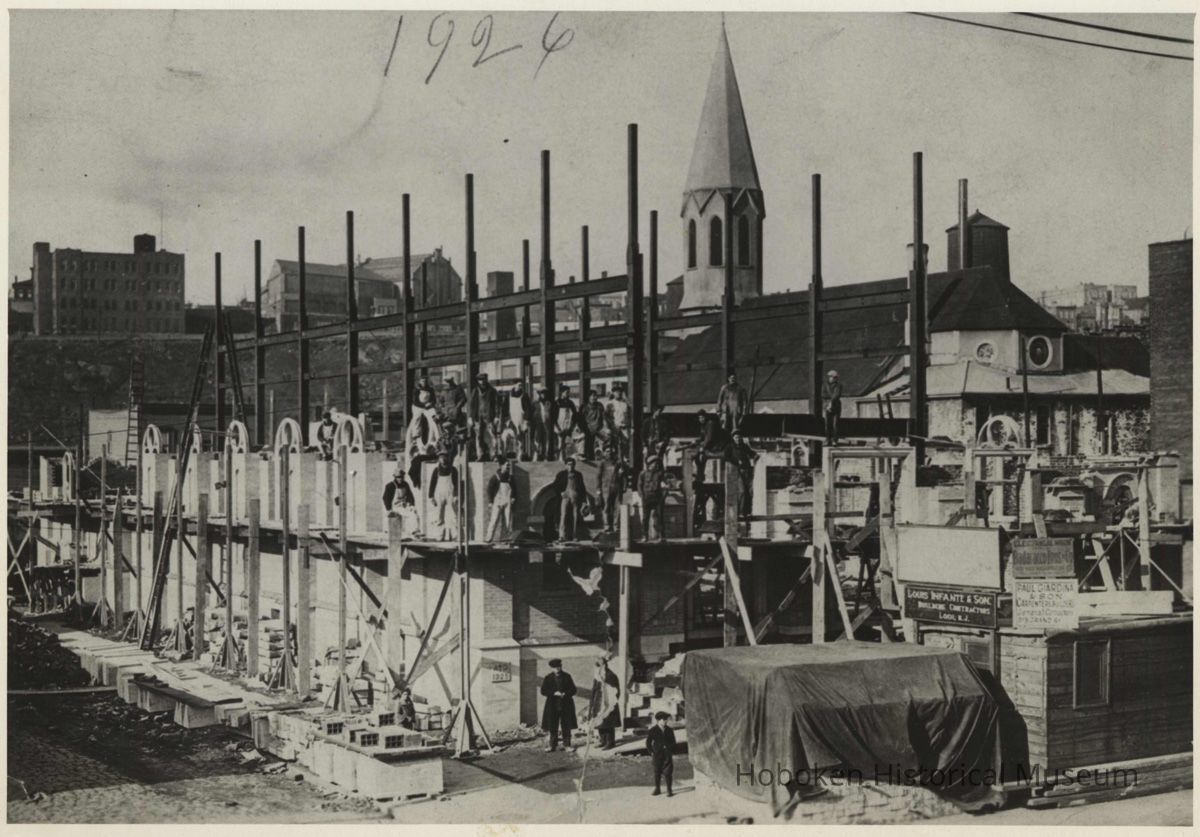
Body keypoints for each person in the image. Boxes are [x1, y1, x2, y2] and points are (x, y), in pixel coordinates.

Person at [540, 658, 578, 752]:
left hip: (566, 704)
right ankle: (552, 745)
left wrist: (565, 694)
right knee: (552, 726)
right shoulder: (548, 678)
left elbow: (573, 689)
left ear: (561, 667)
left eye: (558, 667)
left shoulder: (567, 676)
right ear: (552, 668)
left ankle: (567, 745)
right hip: (552, 705)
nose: (557, 669)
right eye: (555, 668)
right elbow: (543, 691)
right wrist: (553, 693)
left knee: (566, 725)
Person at [723, 430, 759, 519]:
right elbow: (726, 457)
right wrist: (736, 461)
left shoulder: (744, 446)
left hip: (746, 470)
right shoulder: (729, 447)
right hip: (736, 471)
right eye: (736, 437)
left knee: (749, 491)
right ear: (733, 438)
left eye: (739, 437)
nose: (738, 439)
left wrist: (755, 456)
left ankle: (748, 512)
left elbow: (751, 453)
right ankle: (740, 512)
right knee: (741, 491)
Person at [596, 438, 628, 534]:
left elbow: (624, 474)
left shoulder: (618, 463)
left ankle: (615, 526)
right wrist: (598, 489)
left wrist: (621, 473)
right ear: (604, 452)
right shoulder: (602, 463)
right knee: (606, 507)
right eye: (607, 451)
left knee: (617, 507)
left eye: (610, 451)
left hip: (617, 487)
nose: (609, 453)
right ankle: (607, 526)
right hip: (606, 487)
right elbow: (598, 476)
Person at [588, 657, 621, 750]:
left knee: (608, 723)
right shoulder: (597, 676)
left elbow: (617, 691)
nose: (598, 669)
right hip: (598, 702)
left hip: (609, 703)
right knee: (599, 721)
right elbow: (594, 689)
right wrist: (593, 702)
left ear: (605, 665)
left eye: (600, 666)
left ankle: (610, 742)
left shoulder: (610, 676)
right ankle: (603, 740)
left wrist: (611, 703)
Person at [382, 464, 421, 538]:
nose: (400, 479)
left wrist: (412, 505)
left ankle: (414, 532)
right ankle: (387, 533)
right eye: (398, 477)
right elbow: (385, 498)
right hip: (394, 507)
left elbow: (410, 495)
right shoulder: (390, 486)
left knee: (413, 514)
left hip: (403, 505)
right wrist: (388, 509)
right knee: (388, 518)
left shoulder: (405, 484)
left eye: (401, 477)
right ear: (395, 477)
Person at [428, 451, 459, 541]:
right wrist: (431, 496)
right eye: (441, 457)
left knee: (453, 514)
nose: (443, 459)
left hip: (450, 493)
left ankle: (456, 535)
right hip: (439, 494)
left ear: (448, 458)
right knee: (439, 515)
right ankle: (439, 535)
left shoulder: (453, 470)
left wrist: (456, 495)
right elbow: (432, 484)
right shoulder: (436, 470)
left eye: (445, 457)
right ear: (439, 459)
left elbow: (457, 483)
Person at [469, 372, 500, 462]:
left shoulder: (492, 391)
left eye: (483, 379)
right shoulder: (475, 391)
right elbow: (472, 405)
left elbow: (497, 404)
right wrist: (471, 417)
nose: (481, 381)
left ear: (486, 379)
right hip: (478, 417)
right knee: (478, 437)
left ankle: (493, 455)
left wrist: (497, 416)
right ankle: (480, 455)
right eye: (480, 380)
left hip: (489, 417)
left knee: (492, 436)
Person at [556, 457, 588, 542]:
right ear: (565, 465)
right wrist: (560, 492)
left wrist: (584, 501)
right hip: (565, 496)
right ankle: (562, 536)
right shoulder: (561, 474)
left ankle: (575, 536)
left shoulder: (578, 475)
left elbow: (582, 488)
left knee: (576, 516)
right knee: (563, 515)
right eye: (569, 464)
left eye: (572, 464)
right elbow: (555, 485)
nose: (571, 466)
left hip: (575, 496)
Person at [646, 711, 677, 796]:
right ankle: (657, 788)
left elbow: (673, 742)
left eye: (666, 720)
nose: (665, 721)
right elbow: (648, 743)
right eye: (663, 720)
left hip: (667, 754)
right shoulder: (653, 730)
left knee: (668, 772)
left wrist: (670, 750)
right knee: (657, 771)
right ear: (658, 721)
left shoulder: (669, 730)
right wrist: (651, 752)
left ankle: (669, 789)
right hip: (657, 754)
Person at [485, 459, 517, 542]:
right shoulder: (495, 477)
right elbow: (489, 490)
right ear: (502, 466)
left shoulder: (510, 478)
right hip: (497, 500)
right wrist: (490, 501)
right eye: (507, 465)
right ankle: (488, 538)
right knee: (494, 519)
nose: (508, 467)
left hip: (507, 500)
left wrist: (513, 497)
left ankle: (506, 538)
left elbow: (514, 489)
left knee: (508, 520)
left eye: (509, 466)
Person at [408, 375, 441, 450]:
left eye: (425, 381)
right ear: (419, 381)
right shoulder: (416, 389)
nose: (424, 382)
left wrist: (431, 404)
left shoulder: (430, 389)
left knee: (433, 417)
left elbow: (434, 400)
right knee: (416, 418)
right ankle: (415, 436)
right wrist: (424, 405)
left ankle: (437, 436)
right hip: (418, 406)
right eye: (422, 381)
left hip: (428, 406)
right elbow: (415, 401)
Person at [693, 409, 728, 480]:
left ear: (705, 417)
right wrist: (696, 441)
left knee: (702, 455)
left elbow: (709, 438)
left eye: (702, 417)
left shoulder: (710, 424)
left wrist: (703, 446)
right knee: (696, 455)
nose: (701, 419)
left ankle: (701, 474)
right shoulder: (703, 426)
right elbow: (702, 437)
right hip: (709, 444)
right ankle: (700, 472)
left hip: (716, 445)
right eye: (699, 418)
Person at [638, 454, 666, 542]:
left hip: (657, 498)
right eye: (653, 463)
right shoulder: (643, 473)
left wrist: (659, 458)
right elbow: (639, 485)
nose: (655, 465)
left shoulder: (659, 473)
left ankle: (661, 536)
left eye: (656, 463)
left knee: (659, 517)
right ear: (649, 464)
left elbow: (662, 468)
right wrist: (642, 496)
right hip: (646, 498)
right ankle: (644, 536)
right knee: (645, 518)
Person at [581, 389, 609, 461]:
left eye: (595, 396)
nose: (594, 397)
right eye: (592, 396)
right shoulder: (584, 406)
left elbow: (603, 416)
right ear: (589, 397)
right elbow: (581, 419)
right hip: (589, 429)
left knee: (604, 444)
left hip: (598, 429)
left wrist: (605, 427)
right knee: (588, 447)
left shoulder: (600, 405)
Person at [554, 385, 579, 463]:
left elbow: (575, 415)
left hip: (567, 426)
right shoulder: (557, 402)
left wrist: (571, 427)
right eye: (567, 392)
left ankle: (565, 459)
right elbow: (553, 417)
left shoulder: (570, 402)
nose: (568, 394)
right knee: (559, 444)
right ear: (562, 393)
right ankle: (559, 460)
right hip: (559, 426)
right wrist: (558, 428)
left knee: (567, 444)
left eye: (569, 392)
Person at [508, 381, 533, 459]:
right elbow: (505, 408)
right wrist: (506, 419)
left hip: (521, 419)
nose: (520, 387)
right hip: (512, 419)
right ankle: (512, 454)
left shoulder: (524, 396)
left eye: (522, 385)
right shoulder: (509, 395)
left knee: (521, 439)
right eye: (519, 385)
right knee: (512, 437)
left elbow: (528, 409)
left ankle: (520, 455)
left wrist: (526, 421)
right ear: (514, 385)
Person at [606, 384, 632, 458]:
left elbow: (630, 415)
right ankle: (616, 460)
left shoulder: (625, 403)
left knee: (626, 444)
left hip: (625, 427)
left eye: (620, 391)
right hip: (615, 427)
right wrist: (609, 427)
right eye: (616, 392)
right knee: (615, 445)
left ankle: (625, 460)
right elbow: (606, 417)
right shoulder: (610, 403)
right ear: (613, 393)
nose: (618, 393)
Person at [531, 388, 555, 461]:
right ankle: (535, 457)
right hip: (537, 424)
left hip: (547, 425)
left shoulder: (549, 403)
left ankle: (545, 457)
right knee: (537, 441)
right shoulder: (534, 403)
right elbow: (531, 414)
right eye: (541, 393)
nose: (543, 395)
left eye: (544, 393)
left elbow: (553, 414)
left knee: (546, 441)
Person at [823, 369, 843, 445]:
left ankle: (835, 440)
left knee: (835, 424)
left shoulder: (839, 385)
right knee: (827, 424)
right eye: (832, 377)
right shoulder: (825, 385)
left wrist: (831, 401)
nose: (833, 379)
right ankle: (827, 439)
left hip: (836, 406)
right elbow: (823, 394)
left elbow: (837, 395)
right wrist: (828, 404)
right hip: (827, 406)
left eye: (835, 377)